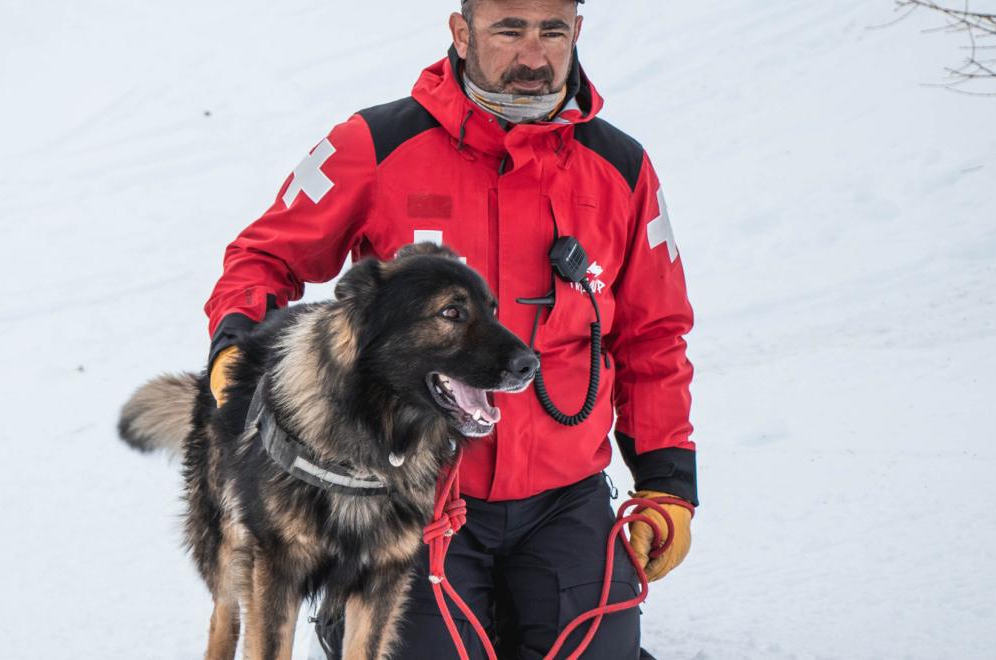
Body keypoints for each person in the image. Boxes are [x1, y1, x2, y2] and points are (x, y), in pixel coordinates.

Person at [202, 0, 697, 657]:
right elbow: (263, 259)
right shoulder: (375, 144)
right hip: (409, 491)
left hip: (564, 495)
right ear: (461, 33)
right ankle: (343, 613)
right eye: (508, 29)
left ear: (576, 32)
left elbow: (654, 335)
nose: (533, 55)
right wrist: (235, 347)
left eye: (552, 31)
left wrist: (668, 483)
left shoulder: (622, 169)